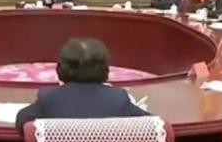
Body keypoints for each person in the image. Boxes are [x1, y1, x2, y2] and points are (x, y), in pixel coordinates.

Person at [15, 38, 149, 135]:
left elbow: (22, 123)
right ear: (106, 70)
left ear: (60, 69)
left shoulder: (49, 98)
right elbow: (154, 126)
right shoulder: (119, 99)